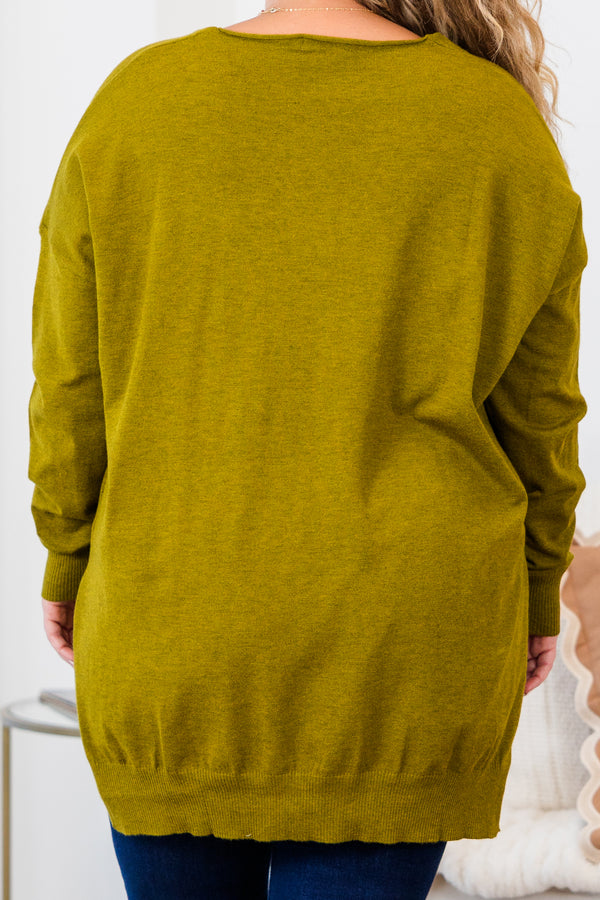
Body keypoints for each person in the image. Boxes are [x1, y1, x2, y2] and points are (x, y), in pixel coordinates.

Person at [30, 1, 587, 897]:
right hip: (404, 646)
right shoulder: (495, 122)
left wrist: (67, 555)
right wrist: (534, 585)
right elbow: (541, 415)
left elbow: (70, 385)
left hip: (173, 629)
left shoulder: (138, 103)